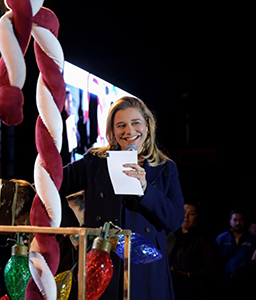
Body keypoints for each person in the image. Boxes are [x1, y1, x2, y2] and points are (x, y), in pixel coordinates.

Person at [59, 96, 185, 300]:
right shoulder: (95, 162)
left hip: (145, 268)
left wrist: (145, 189)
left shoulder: (165, 168)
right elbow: (52, 185)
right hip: (101, 260)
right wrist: (74, 230)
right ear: (112, 131)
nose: (129, 131)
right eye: (121, 125)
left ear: (148, 126)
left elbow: (175, 220)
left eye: (136, 123)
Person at [167, 202, 220, 300]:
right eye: (184, 212)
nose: (186, 216)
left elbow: (212, 268)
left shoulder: (203, 239)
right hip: (171, 287)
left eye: (191, 214)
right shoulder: (171, 236)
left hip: (193, 289)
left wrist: (188, 275)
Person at [216, 209, 256, 281]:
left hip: (246, 280)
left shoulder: (252, 239)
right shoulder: (222, 238)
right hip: (226, 279)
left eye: (241, 220)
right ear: (230, 222)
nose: (238, 223)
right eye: (235, 220)